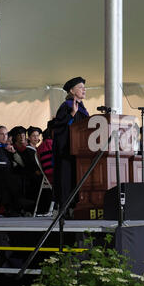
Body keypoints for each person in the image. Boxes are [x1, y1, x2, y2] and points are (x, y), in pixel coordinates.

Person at [52, 77, 89, 214]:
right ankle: (65, 209)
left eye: (84, 87)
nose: (84, 89)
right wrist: (72, 115)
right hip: (67, 151)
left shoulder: (82, 107)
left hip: (79, 151)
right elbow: (59, 128)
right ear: (72, 91)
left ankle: (75, 207)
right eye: (80, 87)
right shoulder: (66, 106)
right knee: (67, 179)